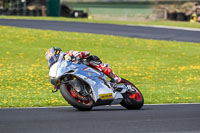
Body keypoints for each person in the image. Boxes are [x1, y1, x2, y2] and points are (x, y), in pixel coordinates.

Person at [45, 47, 121, 83]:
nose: (53, 60)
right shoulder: (59, 67)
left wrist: (79, 55)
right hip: (78, 75)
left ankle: (113, 76)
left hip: (85, 68)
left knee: (92, 59)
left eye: (53, 57)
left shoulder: (68, 54)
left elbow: (86, 53)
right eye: (51, 59)